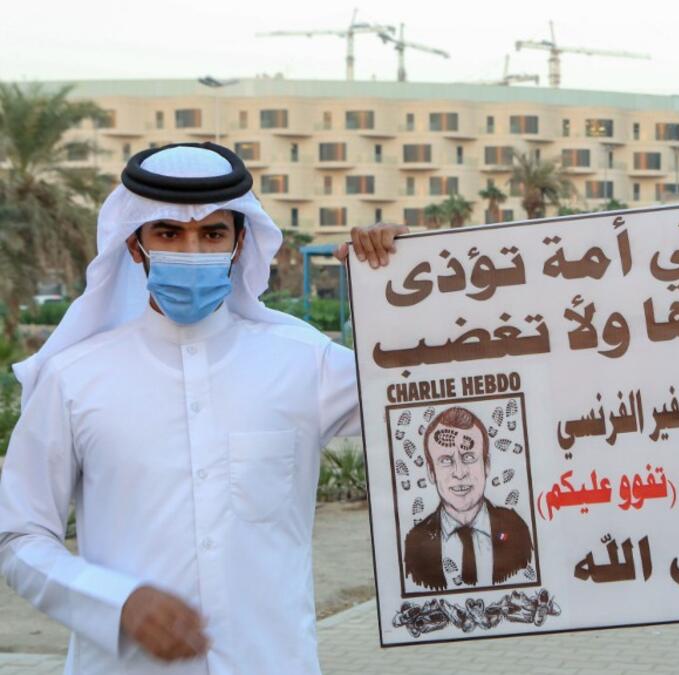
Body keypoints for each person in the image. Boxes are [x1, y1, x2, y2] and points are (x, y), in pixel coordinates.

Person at [0, 142, 402, 674]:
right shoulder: (73, 379)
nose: (192, 251)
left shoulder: (307, 364)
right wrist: (115, 603)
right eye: (169, 232)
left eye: (212, 233)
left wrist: (403, 279)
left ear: (239, 244)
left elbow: (436, 391)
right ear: (136, 243)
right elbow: (19, 535)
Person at [404, 406, 533, 592]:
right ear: (431, 472)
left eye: (469, 457)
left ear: (486, 465)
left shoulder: (517, 530)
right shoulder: (415, 543)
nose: (459, 473)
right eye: (446, 461)